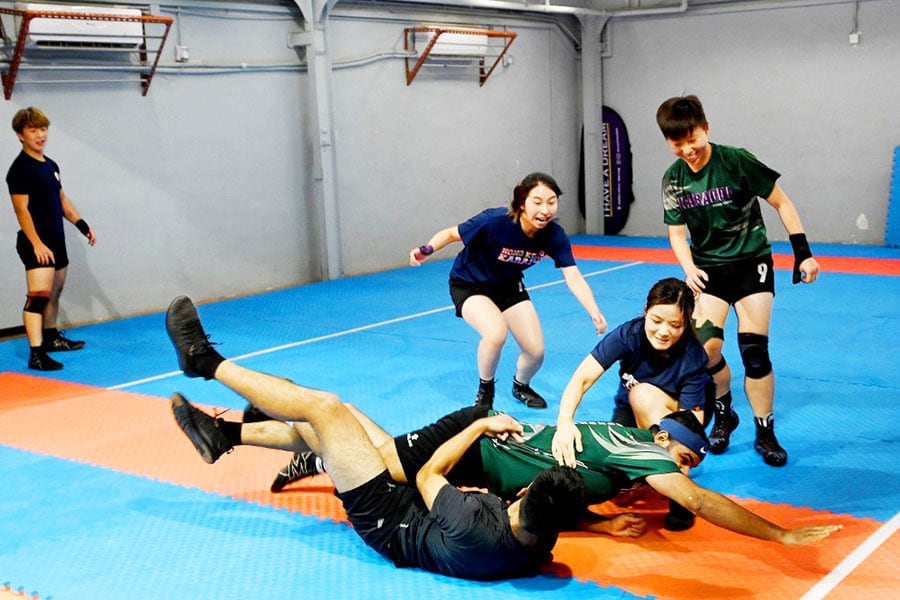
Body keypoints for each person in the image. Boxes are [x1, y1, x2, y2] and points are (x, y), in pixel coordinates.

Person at [165, 295, 588, 581]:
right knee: (336, 422)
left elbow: (428, 472)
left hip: (386, 515)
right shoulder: (539, 537)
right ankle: (224, 434)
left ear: (527, 488)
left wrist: (477, 426)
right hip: (411, 503)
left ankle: (205, 362)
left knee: (325, 410)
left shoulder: (473, 524)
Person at [207, 394, 841, 548]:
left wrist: (594, 522)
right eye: (683, 460)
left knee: (353, 438)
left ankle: (247, 427)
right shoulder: (649, 456)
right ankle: (238, 427)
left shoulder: (624, 443)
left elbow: (559, 485)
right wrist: (781, 536)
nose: (678, 475)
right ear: (668, 447)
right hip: (465, 444)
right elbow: (700, 504)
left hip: (480, 445)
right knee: (343, 432)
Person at [655, 95, 820, 467]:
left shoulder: (736, 160)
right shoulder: (673, 180)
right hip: (709, 272)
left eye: (692, 140)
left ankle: (765, 430)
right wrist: (687, 267)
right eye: (677, 144)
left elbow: (783, 203)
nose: (687, 150)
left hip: (751, 265)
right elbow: (678, 234)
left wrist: (803, 252)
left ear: (706, 129)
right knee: (706, 350)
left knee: (754, 351)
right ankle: (725, 411)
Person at [408, 172, 607, 409]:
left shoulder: (554, 236)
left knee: (535, 352)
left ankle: (520, 385)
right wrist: (427, 249)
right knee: (495, 333)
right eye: (537, 202)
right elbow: (452, 234)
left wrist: (593, 310)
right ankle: (486, 389)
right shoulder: (494, 221)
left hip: (508, 285)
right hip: (470, 283)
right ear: (522, 203)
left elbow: (572, 276)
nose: (545, 210)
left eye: (552, 202)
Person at [549, 277, 712, 529]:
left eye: (675, 325)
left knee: (642, 394)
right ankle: (646, 474)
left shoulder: (692, 357)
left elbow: (690, 430)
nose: (663, 331)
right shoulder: (629, 335)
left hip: (680, 415)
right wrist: (564, 422)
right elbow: (581, 379)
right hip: (630, 409)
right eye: (656, 321)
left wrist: (679, 473)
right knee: (618, 490)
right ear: (646, 312)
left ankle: (678, 496)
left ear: (686, 321)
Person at [6, 107, 96, 371]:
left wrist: (82, 225)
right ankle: (36, 353)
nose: (40, 134)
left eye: (43, 129)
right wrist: (36, 243)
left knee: (54, 293)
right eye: (33, 130)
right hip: (37, 242)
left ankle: (51, 338)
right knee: (38, 297)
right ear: (20, 135)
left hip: (56, 240)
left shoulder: (51, 165)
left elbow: (61, 200)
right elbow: (21, 209)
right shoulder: (20, 169)